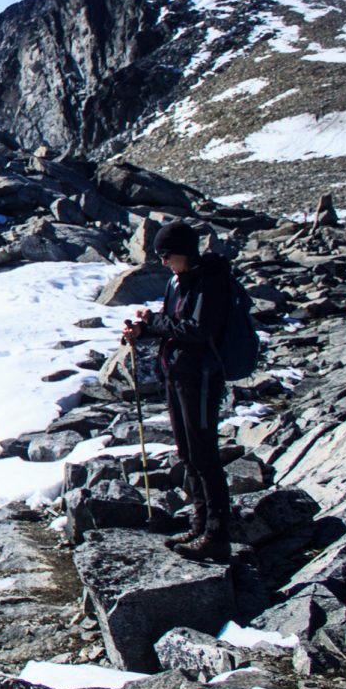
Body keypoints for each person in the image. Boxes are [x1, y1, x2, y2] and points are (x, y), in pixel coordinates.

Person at [121, 222, 236, 560]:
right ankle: (200, 525)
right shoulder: (180, 281)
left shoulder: (210, 281)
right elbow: (175, 323)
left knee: (204, 454)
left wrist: (154, 324)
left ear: (185, 251)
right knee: (188, 453)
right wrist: (145, 327)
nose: (166, 262)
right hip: (179, 374)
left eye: (168, 255)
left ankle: (217, 534)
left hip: (201, 376)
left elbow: (198, 330)